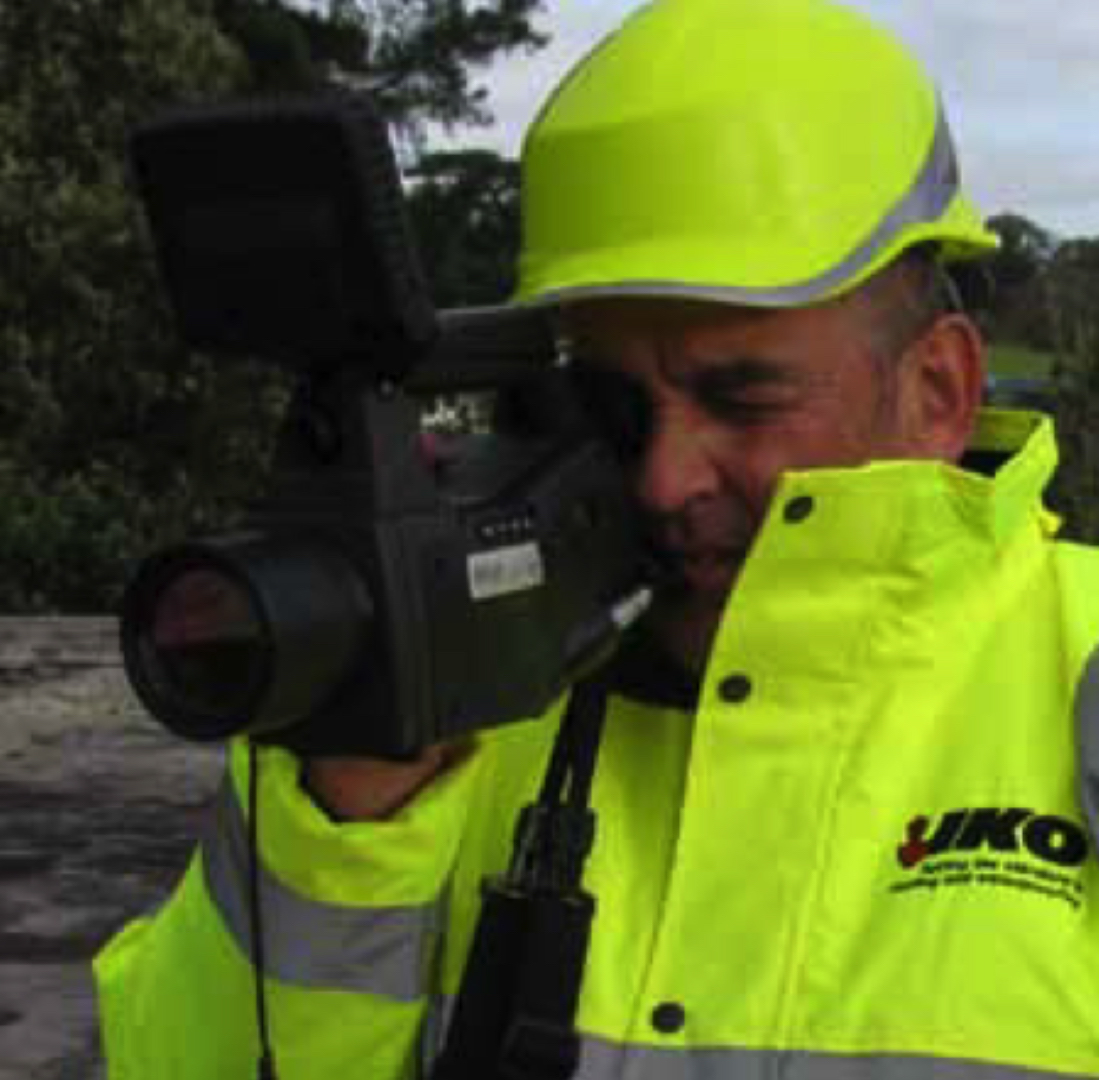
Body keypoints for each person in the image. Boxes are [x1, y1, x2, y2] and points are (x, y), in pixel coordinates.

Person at [94, 0, 1099, 1076]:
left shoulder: (1072, 673)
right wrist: (345, 827)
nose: (664, 480)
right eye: (612, 411)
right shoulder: (452, 706)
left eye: (742, 397)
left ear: (938, 390)